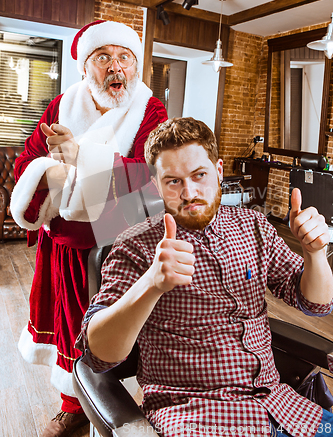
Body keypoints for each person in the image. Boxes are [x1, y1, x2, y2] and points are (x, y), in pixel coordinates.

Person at [79, 117, 333, 437]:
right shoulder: (136, 244)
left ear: (219, 171)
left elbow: (316, 304)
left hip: (281, 407)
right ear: (156, 185)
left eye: (200, 175)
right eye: (173, 181)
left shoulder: (253, 227)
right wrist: (150, 284)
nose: (190, 192)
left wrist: (315, 254)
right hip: (196, 417)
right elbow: (97, 356)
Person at [10, 20, 167, 437]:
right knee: (64, 322)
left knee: (116, 326)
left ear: (136, 66)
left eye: (125, 58)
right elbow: (27, 160)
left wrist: (80, 157)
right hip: (61, 241)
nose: (116, 68)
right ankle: (72, 405)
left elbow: (153, 174)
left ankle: (122, 400)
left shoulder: (151, 111)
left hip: (119, 240)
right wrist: (50, 170)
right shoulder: (61, 105)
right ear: (85, 66)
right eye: (104, 58)